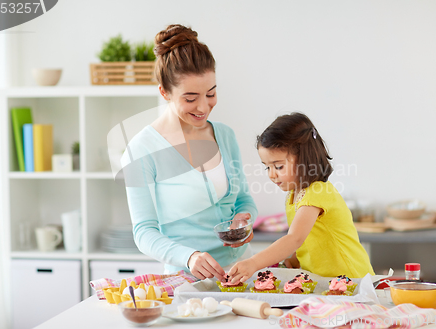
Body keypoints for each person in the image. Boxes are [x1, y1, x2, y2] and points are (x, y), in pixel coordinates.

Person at [121, 24, 257, 281]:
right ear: (164, 92)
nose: (204, 107)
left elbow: (244, 199)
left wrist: (244, 220)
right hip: (187, 281)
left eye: (211, 93)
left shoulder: (224, 136)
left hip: (244, 271)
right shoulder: (141, 150)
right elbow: (143, 231)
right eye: (190, 98)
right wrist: (189, 256)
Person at [228, 112, 374, 283]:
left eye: (278, 166)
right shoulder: (293, 196)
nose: (272, 175)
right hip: (327, 284)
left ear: (304, 160)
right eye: (267, 167)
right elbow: (309, 239)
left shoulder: (318, 191)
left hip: (353, 280)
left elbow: (295, 238)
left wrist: (254, 262)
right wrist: (295, 259)